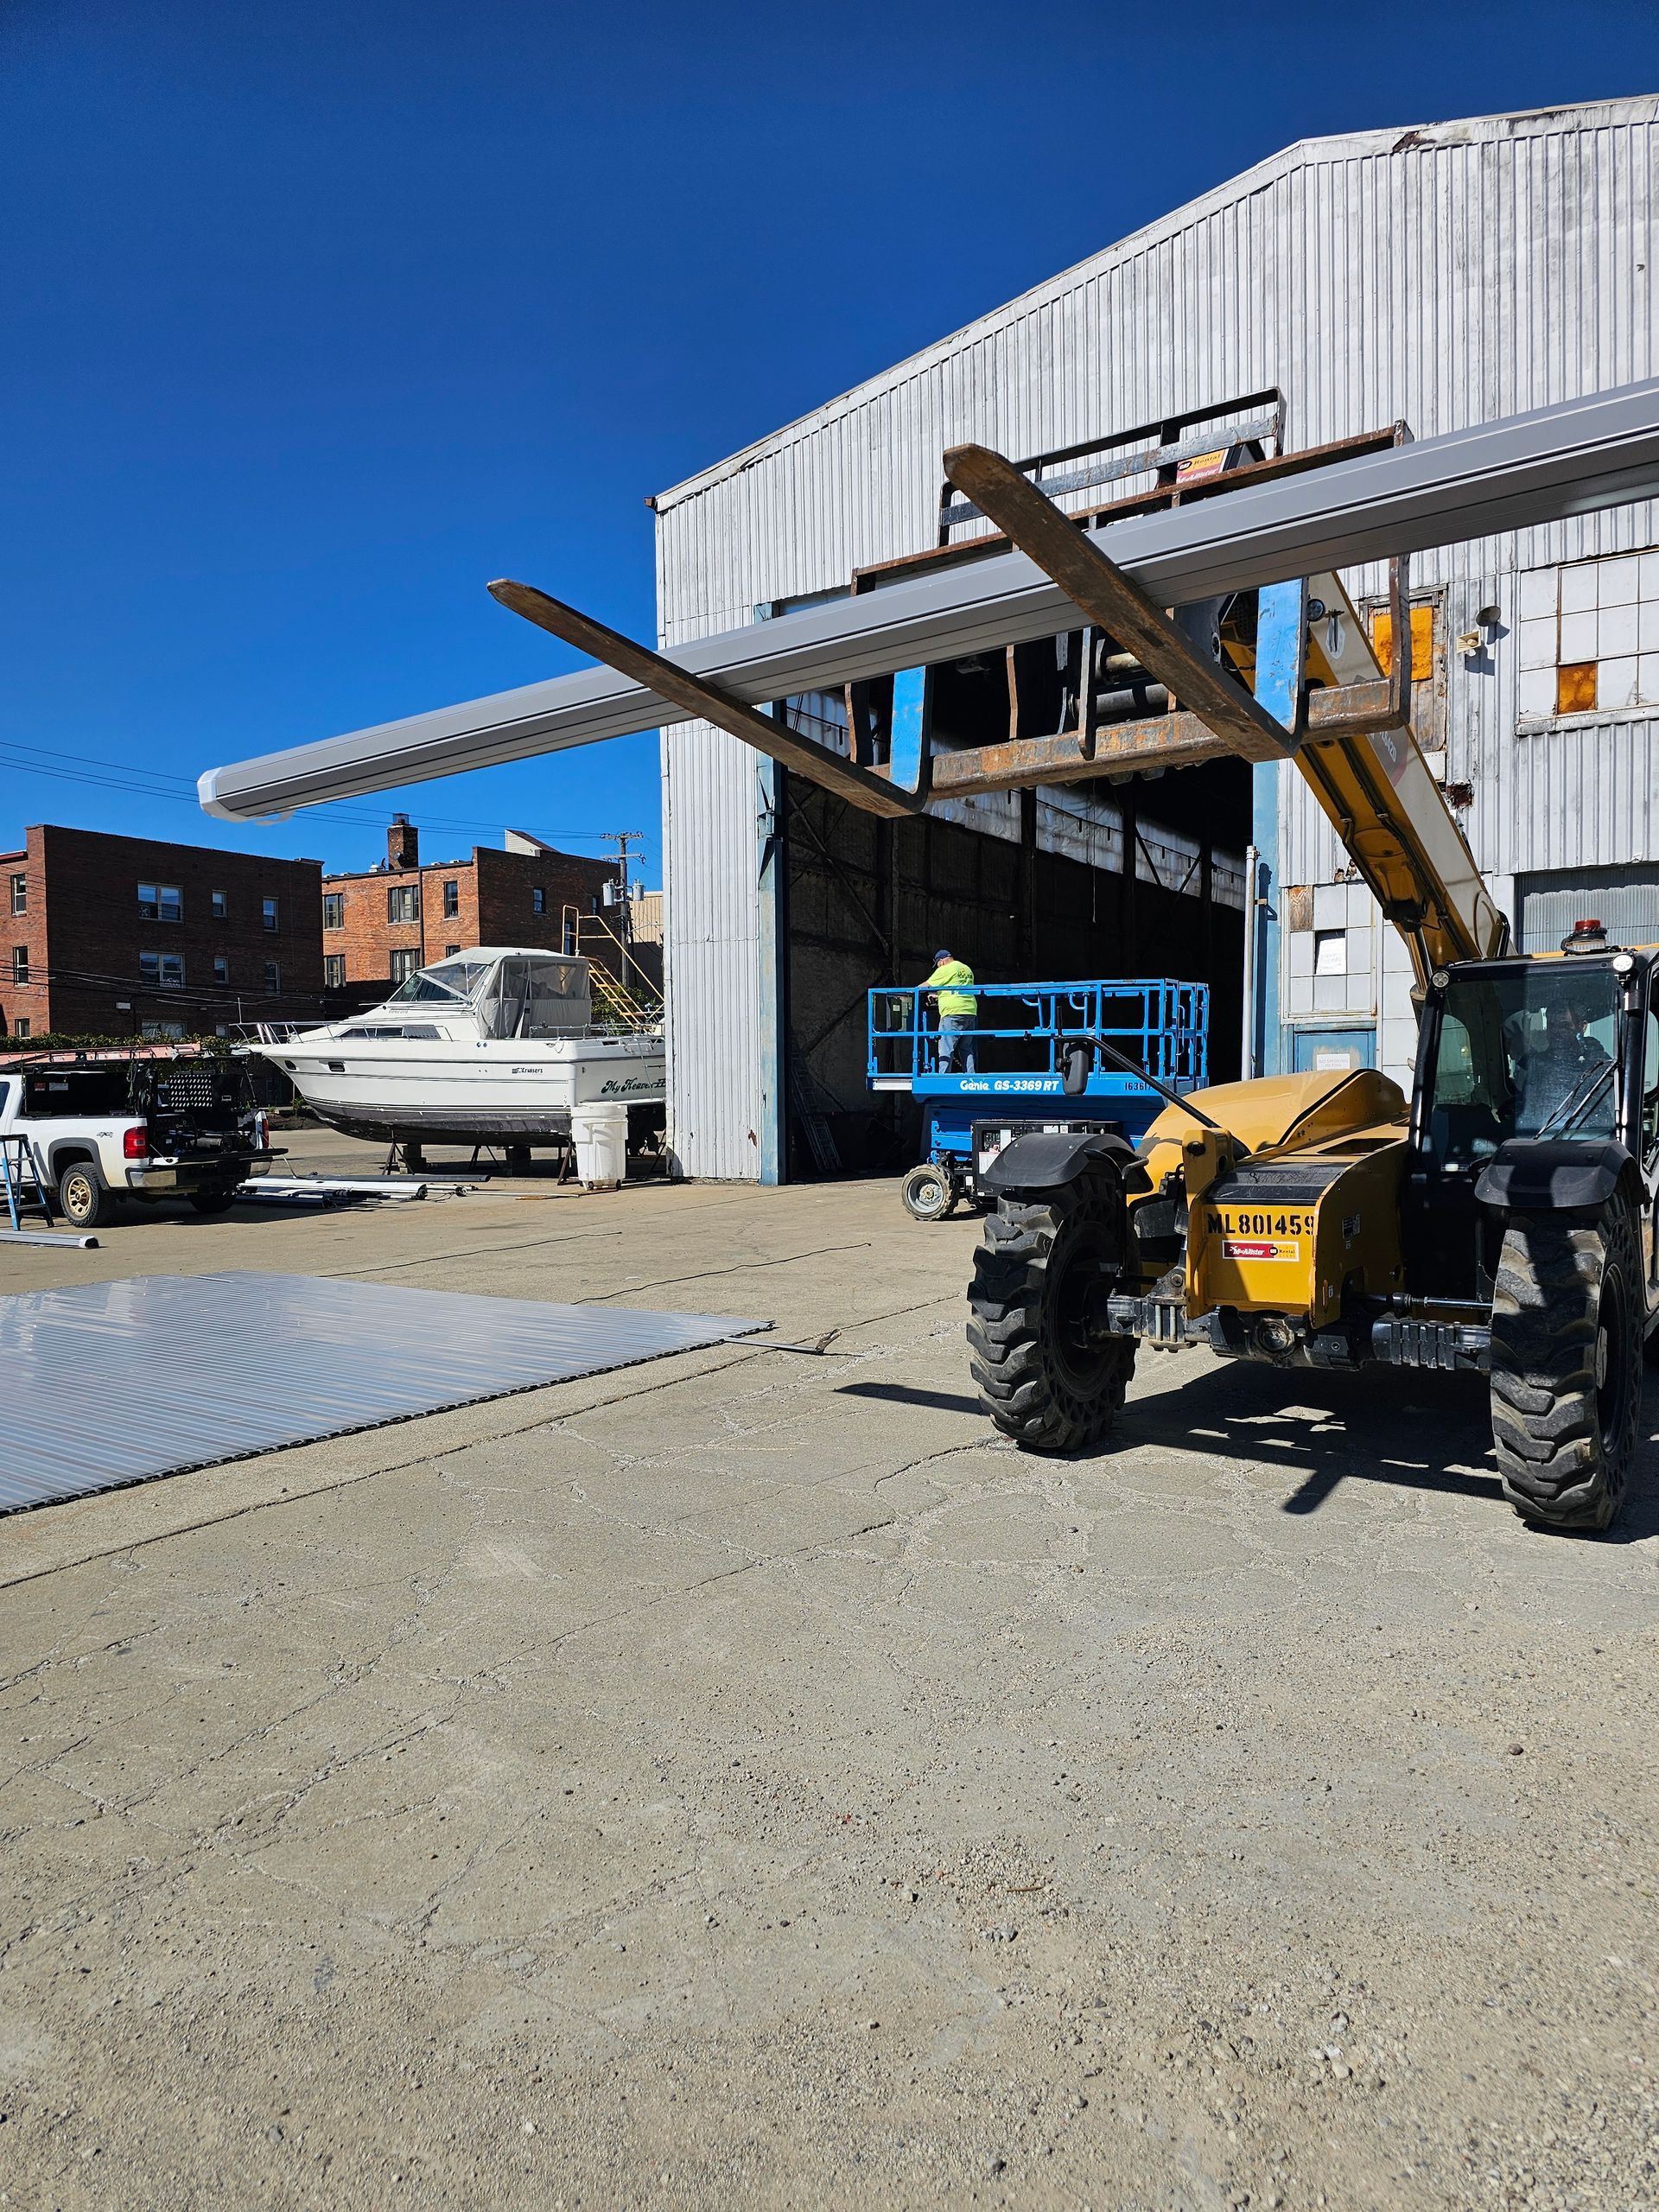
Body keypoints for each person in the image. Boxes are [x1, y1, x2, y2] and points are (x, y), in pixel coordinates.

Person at [1516, 995, 1611, 1130]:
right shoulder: (1536, 1064)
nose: (1556, 1032)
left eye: (1564, 1025)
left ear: (1582, 1026)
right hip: (1538, 1139)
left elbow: (1608, 1113)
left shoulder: (1598, 1063)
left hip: (1587, 1139)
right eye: (1552, 1025)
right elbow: (1527, 1108)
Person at [923, 946, 978, 1073]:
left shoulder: (945, 969)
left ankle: (943, 1077)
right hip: (970, 1011)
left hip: (952, 1012)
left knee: (946, 1047)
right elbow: (958, 989)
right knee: (966, 1048)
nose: (938, 968)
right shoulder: (966, 969)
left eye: (937, 965)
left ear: (941, 961)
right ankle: (971, 1076)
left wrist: (908, 992)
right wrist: (939, 995)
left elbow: (926, 985)